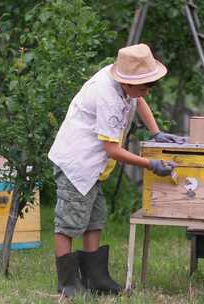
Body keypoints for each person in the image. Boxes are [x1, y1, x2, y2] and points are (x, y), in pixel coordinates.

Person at [48, 43, 182, 297]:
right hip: (77, 163)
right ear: (128, 82)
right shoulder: (106, 95)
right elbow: (112, 150)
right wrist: (151, 165)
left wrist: (157, 132)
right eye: (144, 86)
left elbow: (139, 100)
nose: (147, 92)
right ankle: (67, 283)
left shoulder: (127, 86)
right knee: (69, 222)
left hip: (92, 166)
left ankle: (95, 277)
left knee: (95, 218)